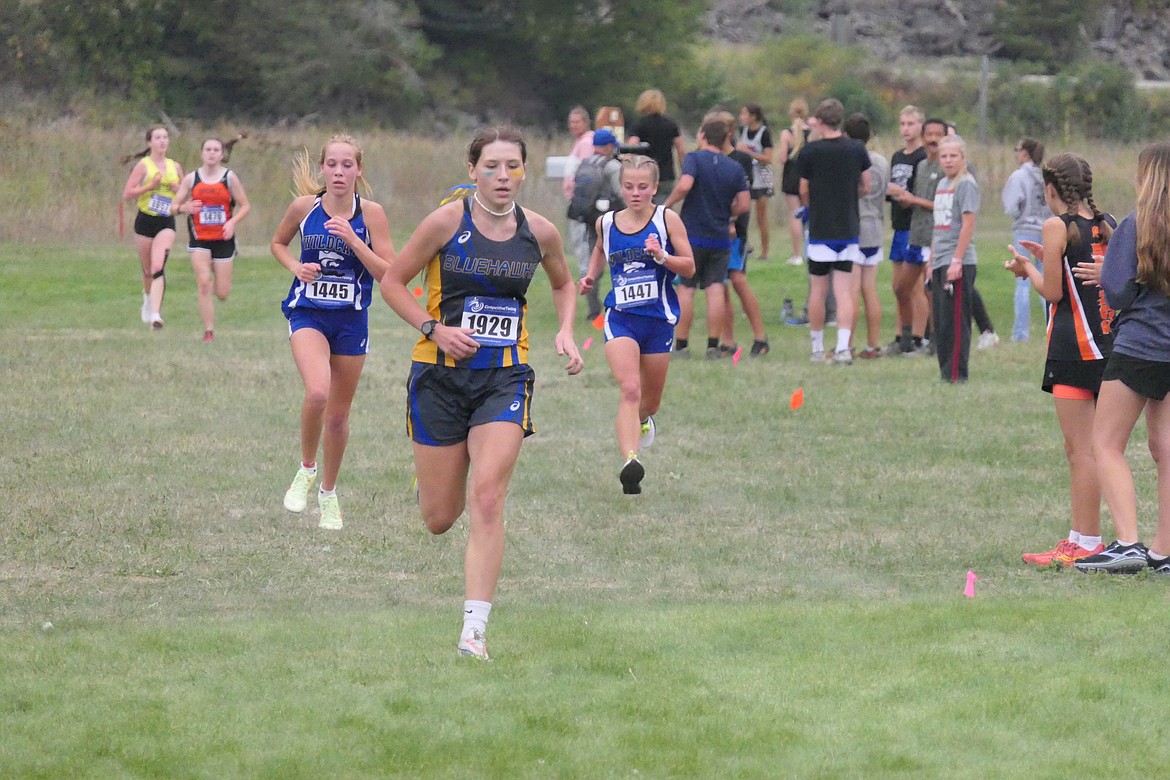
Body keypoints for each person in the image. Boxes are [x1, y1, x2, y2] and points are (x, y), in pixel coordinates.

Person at [379, 126, 584, 659]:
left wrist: (564, 329)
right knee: (440, 518)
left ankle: (474, 632)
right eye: (491, 166)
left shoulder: (539, 233)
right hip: (439, 379)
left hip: (505, 377)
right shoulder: (446, 222)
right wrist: (433, 329)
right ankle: (433, 477)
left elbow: (564, 283)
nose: (502, 176)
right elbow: (393, 282)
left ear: (523, 171)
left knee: (488, 496)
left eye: (512, 166)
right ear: (472, 171)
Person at [270, 135, 395, 531]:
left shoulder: (372, 214)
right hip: (309, 312)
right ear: (322, 168)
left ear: (359, 170)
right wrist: (295, 267)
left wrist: (354, 239)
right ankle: (306, 468)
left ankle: (328, 493)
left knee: (338, 418)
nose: (339, 172)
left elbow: (388, 273)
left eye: (347, 165)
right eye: (332, 164)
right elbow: (277, 243)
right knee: (318, 391)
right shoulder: (304, 209)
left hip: (351, 320)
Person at [1008, 153, 1115, 567]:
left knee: (1080, 450)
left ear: (1050, 190)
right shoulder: (1109, 223)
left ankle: (1084, 540)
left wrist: (1027, 269)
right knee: (1099, 447)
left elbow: (1053, 292)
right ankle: (1085, 537)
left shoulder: (1055, 226)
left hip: (1073, 347)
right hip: (1109, 345)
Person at [1075, 141, 1170, 575]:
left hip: (1139, 346)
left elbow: (1117, 290)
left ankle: (1128, 542)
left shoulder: (1136, 225)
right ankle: (1163, 552)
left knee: (1106, 443)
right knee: (1166, 450)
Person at [578, 156, 694, 494]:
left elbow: (689, 267)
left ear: (655, 188)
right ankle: (631, 461)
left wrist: (663, 257)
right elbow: (601, 248)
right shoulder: (607, 223)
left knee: (650, 400)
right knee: (629, 389)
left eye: (643, 187)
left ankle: (643, 421)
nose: (635, 192)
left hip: (658, 320)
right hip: (621, 318)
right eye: (629, 186)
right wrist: (590, 275)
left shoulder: (666, 219)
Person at [664, 117, 751, 359]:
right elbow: (744, 204)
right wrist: (727, 214)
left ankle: (681, 345)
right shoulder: (734, 168)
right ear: (725, 139)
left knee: (686, 289)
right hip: (720, 237)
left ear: (702, 136)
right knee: (715, 289)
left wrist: (667, 205)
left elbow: (685, 185)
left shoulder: (694, 159)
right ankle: (714, 345)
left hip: (692, 236)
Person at [796, 98, 871, 365]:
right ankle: (842, 348)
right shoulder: (856, 150)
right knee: (844, 290)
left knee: (817, 289)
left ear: (819, 120)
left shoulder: (810, 152)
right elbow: (866, 186)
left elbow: (803, 189)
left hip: (820, 228)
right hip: (847, 227)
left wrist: (812, 204)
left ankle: (817, 348)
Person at [172, 135, 251, 341]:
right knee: (204, 282)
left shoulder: (229, 178)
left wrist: (232, 223)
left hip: (223, 239)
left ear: (222, 154)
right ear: (201, 153)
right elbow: (173, 206)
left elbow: (245, 205)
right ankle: (209, 330)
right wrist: (183, 208)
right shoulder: (191, 179)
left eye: (216, 150)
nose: (212, 153)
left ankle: (218, 270)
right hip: (200, 239)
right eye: (208, 149)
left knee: (222, 293)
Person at [715, 110, 769, 356]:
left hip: (736, 230)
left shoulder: (741, 160)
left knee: (737, 279)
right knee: (722, 283)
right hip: (714, 228)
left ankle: (760, 337)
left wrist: (733, 220)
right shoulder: (709, 158)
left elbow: (742, 197)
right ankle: (727, 340)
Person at [121, 125, 184, 329]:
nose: (162, 141)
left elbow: (187, 195)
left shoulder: (175, 167)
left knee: (158, 267)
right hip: (145, 220)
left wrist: (178, 190)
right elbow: (127, 194)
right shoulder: (143, 165)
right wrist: (150, 186)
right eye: (157, 138)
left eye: (165, 137)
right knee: (148, 270)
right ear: (149, 143)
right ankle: (148, 299)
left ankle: (156, 314)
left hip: (166, 221)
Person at [930, 134, 979, 383]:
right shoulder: (941, 184)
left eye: (953, 156)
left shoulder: (966, 184)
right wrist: (931, 261)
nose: (948, 161)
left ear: (963, 158)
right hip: (939, 259)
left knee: (957, 320)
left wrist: (957, 260)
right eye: (944, 156)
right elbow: (937, 225)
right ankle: (944, 371)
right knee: (941, 321)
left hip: (958, 261)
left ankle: (957, 373)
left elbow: (967, 224)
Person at [843, 113, 889, 359]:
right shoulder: (881, 161)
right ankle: (872, 344)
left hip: (856, 226)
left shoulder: (851, 159)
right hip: (876, 226)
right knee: (869, 290)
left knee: (850, 290)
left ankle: (847, 343)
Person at [884, 106, 928, 355]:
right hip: (899, 224)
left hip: (915, 226)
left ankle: (920, 337)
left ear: (920, 125)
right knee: (898, 286)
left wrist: (905, 195)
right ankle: (902, 335)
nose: (906, 129)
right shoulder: (897, 156)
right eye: (902, 124)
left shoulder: (922, 157)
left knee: (915, 286)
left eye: (911, 124)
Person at [568, 127, 623, 321]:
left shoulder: (584, 163)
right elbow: (621, 192)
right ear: (608, 146)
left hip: (592, 220)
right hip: (613, 220)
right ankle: (623, 304)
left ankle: (593, 311)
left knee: (594, 262)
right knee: (621, 261)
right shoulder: (612, 166)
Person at [1003, 136, 1049, 342]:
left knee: (1022, 281)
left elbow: (1013, 204)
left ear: (1025, 153)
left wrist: (1017, 214)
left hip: (1025, 229)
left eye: (1017, 149)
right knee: (1043, 279)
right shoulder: (1045, 176)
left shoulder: (1019, 176)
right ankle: (1051, 326)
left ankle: (1020, 333)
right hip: (1046, 229)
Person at [562, 106, 596, 318]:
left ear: (586, 122)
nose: (573, 126)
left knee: (583, 246)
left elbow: (585, 173)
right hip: (575, 202)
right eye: (571, 122)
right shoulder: (580, 142)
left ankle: (588, 291)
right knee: (579, 246)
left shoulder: (587, 143)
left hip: (582, 205)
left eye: (577, 122)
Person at [627, 89, 686, 205]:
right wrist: (684, 171)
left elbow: (631, 148)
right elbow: (681, 150)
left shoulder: (639, 125)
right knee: (663, 210)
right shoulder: (671, 124)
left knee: (644, 208)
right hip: (666, 175)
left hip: (644, 174)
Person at [735, 103, 775, 260]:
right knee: (741, 213)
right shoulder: (741, 131)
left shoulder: (764, 133)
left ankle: (765, 252)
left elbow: (768, 159)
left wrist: (748, 153)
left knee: (761, 216)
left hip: (763, 177)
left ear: (753, 116)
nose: (741, 117)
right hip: (747, 175)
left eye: (744, 114)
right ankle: (744, 246)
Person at [777, 98, 811, 266]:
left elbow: (783, 158)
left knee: (795, 214)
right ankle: (810, 249)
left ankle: (796, 255)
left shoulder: (786, 134)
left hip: (791, 177)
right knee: (808, 214)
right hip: (808, 177)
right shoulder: (812, 133)